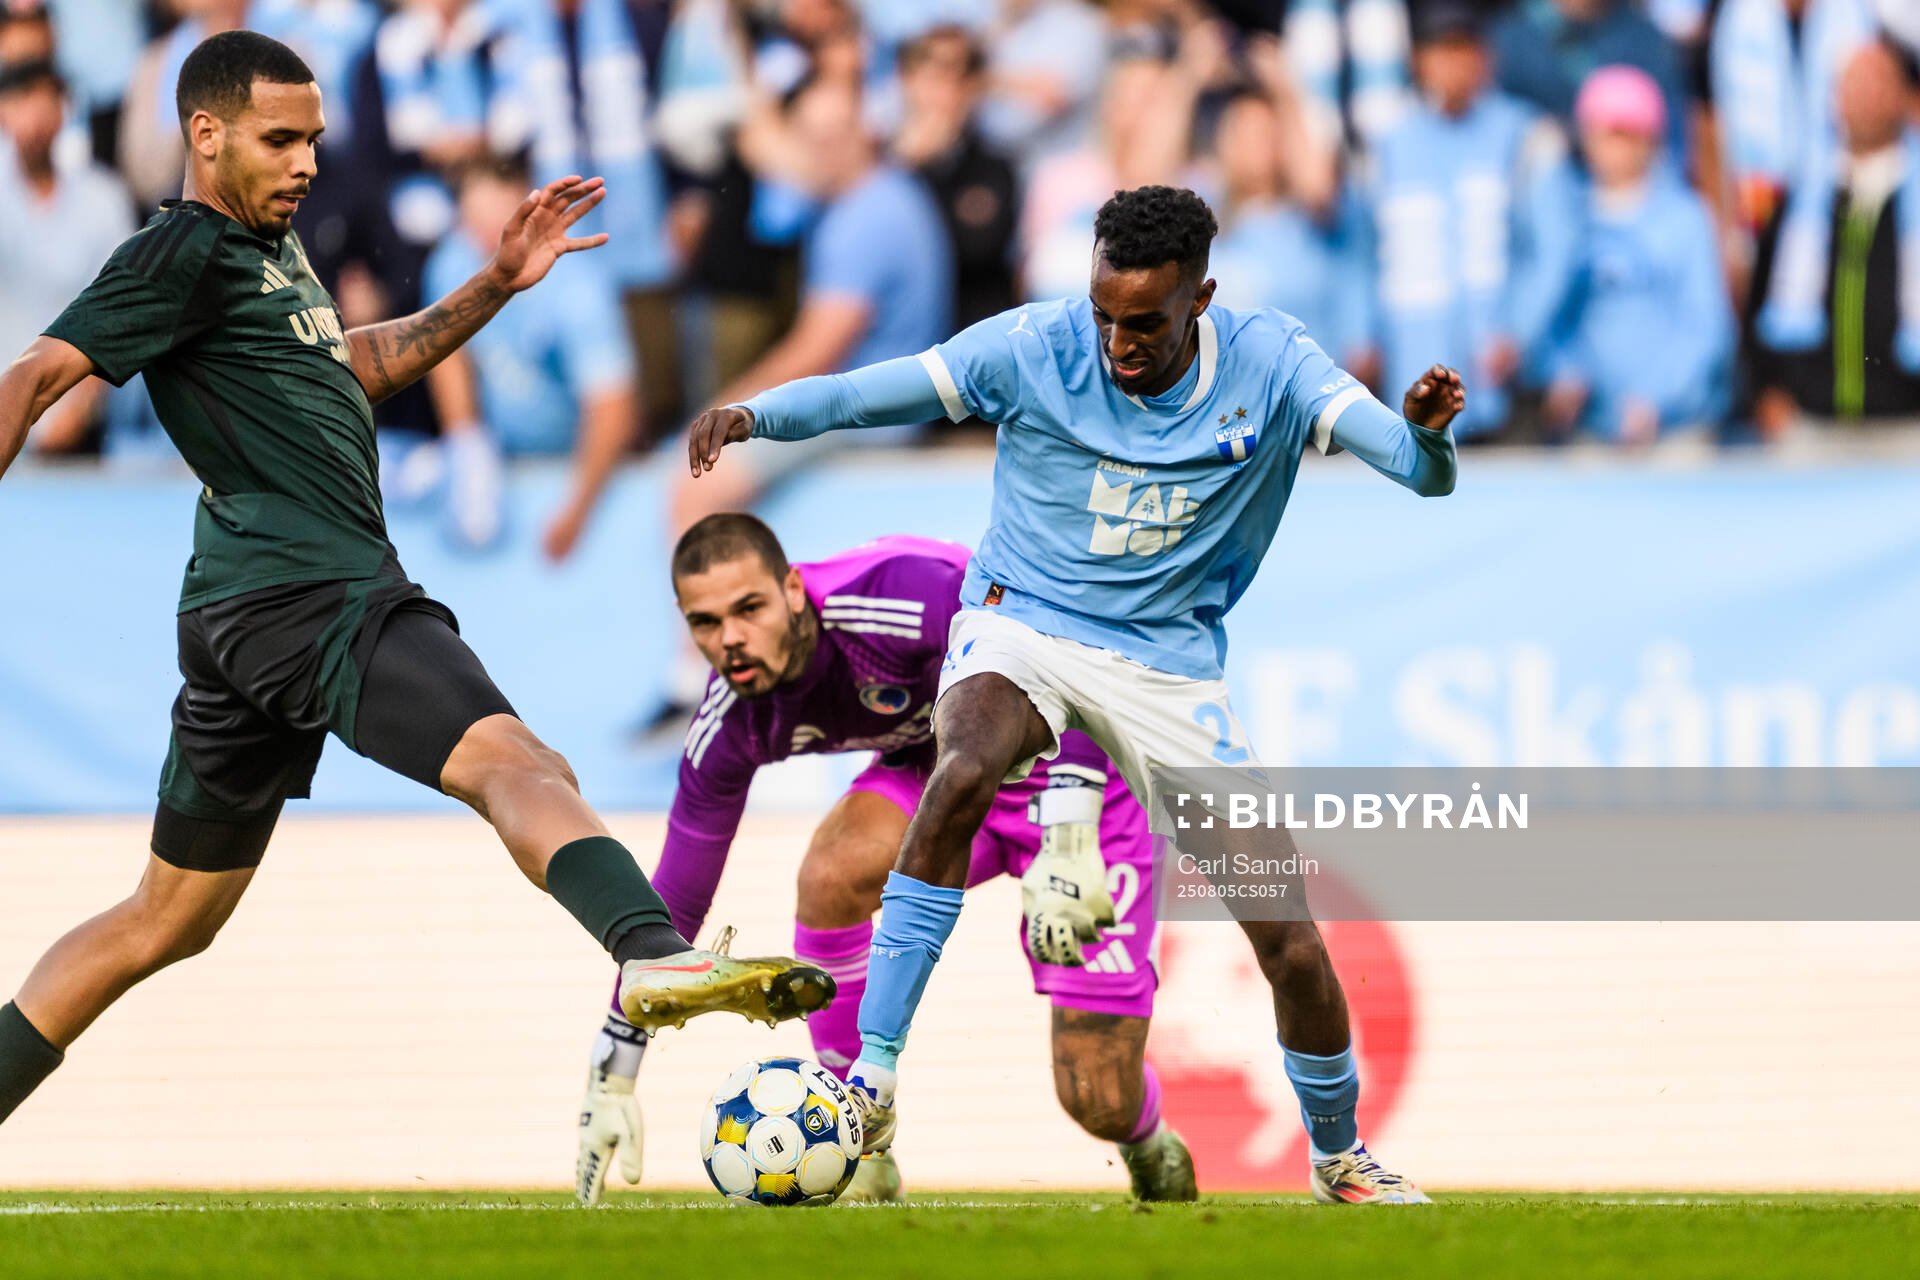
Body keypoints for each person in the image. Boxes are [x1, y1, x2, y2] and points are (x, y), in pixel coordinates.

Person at [0, 30, 830, 1128]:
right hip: (313, 595)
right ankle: (652, 952)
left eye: (314, 140)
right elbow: (34, 374)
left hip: (242, 609)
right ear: (205, 134)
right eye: (278, 139)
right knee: (514, 756)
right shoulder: (182, 251)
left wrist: (492, 284)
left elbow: (347, 365)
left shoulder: (266, 245)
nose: (305, 163)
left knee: (166, 916)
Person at [687, 184, 1462, 1205]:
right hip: (1022, 620)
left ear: (1202, 296)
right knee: (961, 766)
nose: (1118, 343)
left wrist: (1430, 435)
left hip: (1165, 665)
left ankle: (1338, 1153)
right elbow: (873, 393)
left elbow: (1419, 472)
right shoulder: (1035, 345)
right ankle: (870, 1076)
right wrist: (758, 413)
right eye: (1105, 315)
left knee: (1287, 934)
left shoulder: (1276, 362)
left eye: (1145, 322)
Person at [576, 517, 1196, 1207]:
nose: (730, 640)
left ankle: (1151, 1145)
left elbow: (1066, 652)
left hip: (1083, 783)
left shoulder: (907, 594)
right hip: (948, 779)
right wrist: (615, 1067)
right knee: (830, 874)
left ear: (792, 589)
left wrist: (1068, 836)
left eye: (749, 609)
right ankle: (861, 1140)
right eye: (705, 622)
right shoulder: (732, 721)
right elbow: (675, 905)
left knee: (1098, 1097)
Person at [1364, 0, 1577, 439]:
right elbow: (1361, 254)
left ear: (1485, 57)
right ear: (1418, 60)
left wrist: (1519, 332)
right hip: (1411, 378)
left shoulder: (1524, 136)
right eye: (1441, 49)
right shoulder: (1388, 145)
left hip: (1502, 385)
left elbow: (1557, 249)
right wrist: (1363, 335)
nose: (1453, 63)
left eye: (1464, 48)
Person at [420, 153, 638, 559]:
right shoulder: (451, 262)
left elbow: (613, 407)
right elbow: (447, 357)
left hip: (572, 463)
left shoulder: (576, 287)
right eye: (474, 228)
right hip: (507, 462)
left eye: (499, 228)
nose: (486, 245)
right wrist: (469, 452)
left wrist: (577, 509)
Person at [1542, 65, 1733, 444]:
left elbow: (1706, 325)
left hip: (1675, 431)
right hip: (1593, 430)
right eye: (1604, 133)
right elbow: (1554, 314)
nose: (1614, 148)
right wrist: (1564, 373)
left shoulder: (1685, 218)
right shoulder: (1566, 216)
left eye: (1626, 134)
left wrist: (1656, 399)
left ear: (1652, 140)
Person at [1754, 38, 1920, 427]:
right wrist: (1766, 387)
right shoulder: (1802, 199)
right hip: (1812, 420)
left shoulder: (1909, 194)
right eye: (1854, 84)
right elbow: (1759, 300)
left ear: (1904, 96)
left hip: (1907, 421)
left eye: (1879, 83)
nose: (1867, 97)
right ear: (1835, 97)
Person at [0, 55, 136, 455]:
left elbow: (119, 314)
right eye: (24, 97)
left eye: (49, 97)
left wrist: (80, 411)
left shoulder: (103, 199)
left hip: (73, 429)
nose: (37, 113)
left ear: (65, 108)